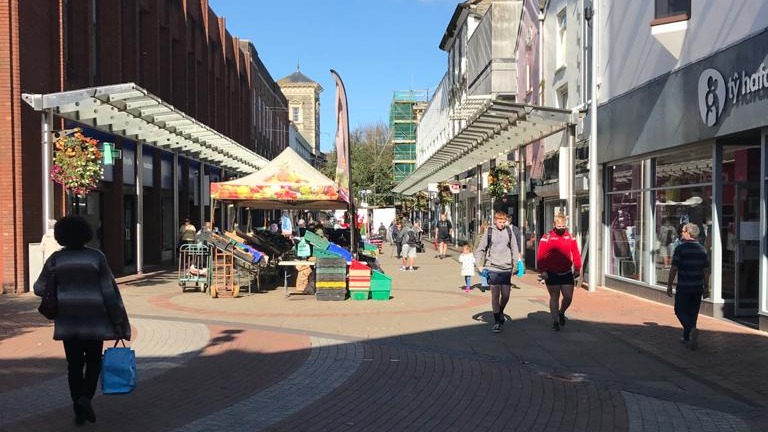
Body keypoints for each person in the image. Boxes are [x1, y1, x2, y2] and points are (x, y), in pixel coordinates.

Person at [33, 216, 131, 425]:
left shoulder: (55, 260)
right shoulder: (96, 257)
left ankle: (78, 409)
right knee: (94, 361)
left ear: (61, 236)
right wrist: (118, 321)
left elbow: (39, 288)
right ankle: (87, 396)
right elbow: (109, 292)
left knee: (74, 365)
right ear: (86, 234)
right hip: (95, 319)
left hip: (68, 321)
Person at [666, 222, 710, 351]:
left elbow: (674, 268)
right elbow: (706, 271)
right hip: (697, 286)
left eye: (683, 231)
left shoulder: (681, 249)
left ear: (689, 233)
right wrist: (706, 287)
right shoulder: (702, 249)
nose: (681, 233)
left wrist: (669, 285)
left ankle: (690, 331)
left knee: (679, 310)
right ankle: (688, 337)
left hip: (684, 286)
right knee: (693, 312)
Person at [474, 211, 519, 333]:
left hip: (506, 268)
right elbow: (480, 249)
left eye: (504, 222)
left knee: (506, 295)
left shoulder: (509, 232)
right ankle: (497, 321)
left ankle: (500, 311)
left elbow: (515, 249)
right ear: (495, 220)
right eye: (500, 222)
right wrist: (479, 265)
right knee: (495, 294)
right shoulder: (489, 232)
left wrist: (515, 266)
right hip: (492, 267)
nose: (502, 224)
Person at [537, 213, 583, 332]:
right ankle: (555, 321)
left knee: (568, 297)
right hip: (551, 272)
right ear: (554, 224)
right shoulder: (546, 237)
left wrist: (578, 268)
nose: (561, 229)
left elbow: (576, 252)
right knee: (554, 297)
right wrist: (543, 271)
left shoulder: (570, 236)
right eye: (559, 226)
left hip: (566, 272)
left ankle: (561, 312)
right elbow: (540, 255)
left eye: (563, 226)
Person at [474, 220, 490, 292]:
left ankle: (486, 283)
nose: (487, 230)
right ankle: (484, 284)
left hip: (489, 256)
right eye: (486, 228)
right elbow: (475, 246)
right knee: (482, 270)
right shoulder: (479, 236)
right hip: (481, 256)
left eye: (488, 228)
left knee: (488, 270)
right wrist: (475, 255)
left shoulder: (491, 237)